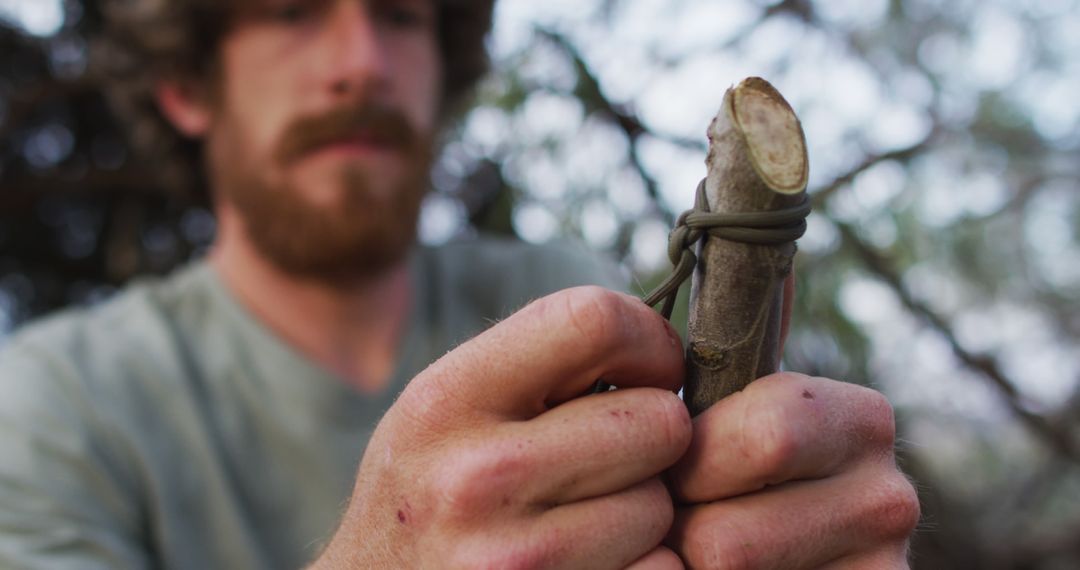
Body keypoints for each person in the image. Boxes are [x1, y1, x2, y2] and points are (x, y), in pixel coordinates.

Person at [0, 0, 919, 568]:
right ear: (187, 85)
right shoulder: (54, 403)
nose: (362, 60)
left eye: (401, 13)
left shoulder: (566, 297)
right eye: (290, 10)